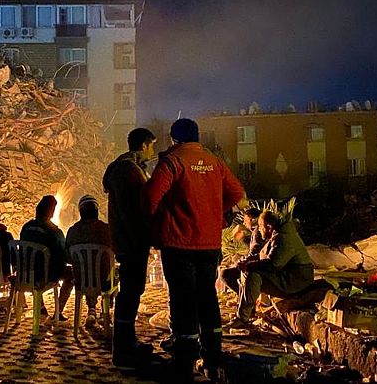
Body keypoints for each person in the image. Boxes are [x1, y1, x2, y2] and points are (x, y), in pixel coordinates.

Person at [145, 118, 245, 383]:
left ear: (174, 139)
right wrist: (215, 211)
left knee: (182, 299)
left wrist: (155, 223)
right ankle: (213, 357)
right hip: (209, 244)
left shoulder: (172, 162)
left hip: (178, 243)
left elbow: (150, 199)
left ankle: (184, 360)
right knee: (207, 297)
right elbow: (237, 192)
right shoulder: (214, 162)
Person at [102, 127, 156, 367]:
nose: (152, 150)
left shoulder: (130, 168)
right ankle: (123, 348)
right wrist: (141, 237)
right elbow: (130, 210)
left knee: (133, 290)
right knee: (130, 292)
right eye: (151, 145)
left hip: (130, 240)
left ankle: (128, 341)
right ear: (143, 145)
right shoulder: (127, 170)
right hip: (131, 241)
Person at [229, 210, 314, 327]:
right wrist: (247, 261)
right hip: (285, 277)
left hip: (294, 282)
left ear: (268, 226)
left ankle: (242, 318)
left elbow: (273, 264)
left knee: (253, 276)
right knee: (246, 272)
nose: (258, 229)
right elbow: (264, 255)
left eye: (260, 226)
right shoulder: (277, 235)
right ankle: (246, 312)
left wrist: (250, 265)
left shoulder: (284, 238)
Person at [19, 195, 74, 321]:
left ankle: (41, 307)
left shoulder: (26, 227)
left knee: (36, 266)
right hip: (46, 275)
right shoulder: (55, 232)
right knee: (71, 276)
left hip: (26, 273)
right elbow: (64, 256)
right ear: (52, 212)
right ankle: (58, 311)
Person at [65, 195, 114, 327]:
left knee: (87, 273)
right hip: (105, 282)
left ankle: (91, 309)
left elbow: (67, 257)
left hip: (81, 282)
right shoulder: (107, 230)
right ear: (96, 211)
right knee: (114, 273)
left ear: (80, 212)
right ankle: (106, 310)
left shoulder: (72, 231)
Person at [220, 207, 264, 296]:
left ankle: (247, 296)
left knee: (224, 274)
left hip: (259, 266)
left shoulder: (257, 233)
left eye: (245, 220)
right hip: (259, 264)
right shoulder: (257, 232)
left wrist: (241, 262)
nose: (244, 223)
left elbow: (254, 253)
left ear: (252, 220)